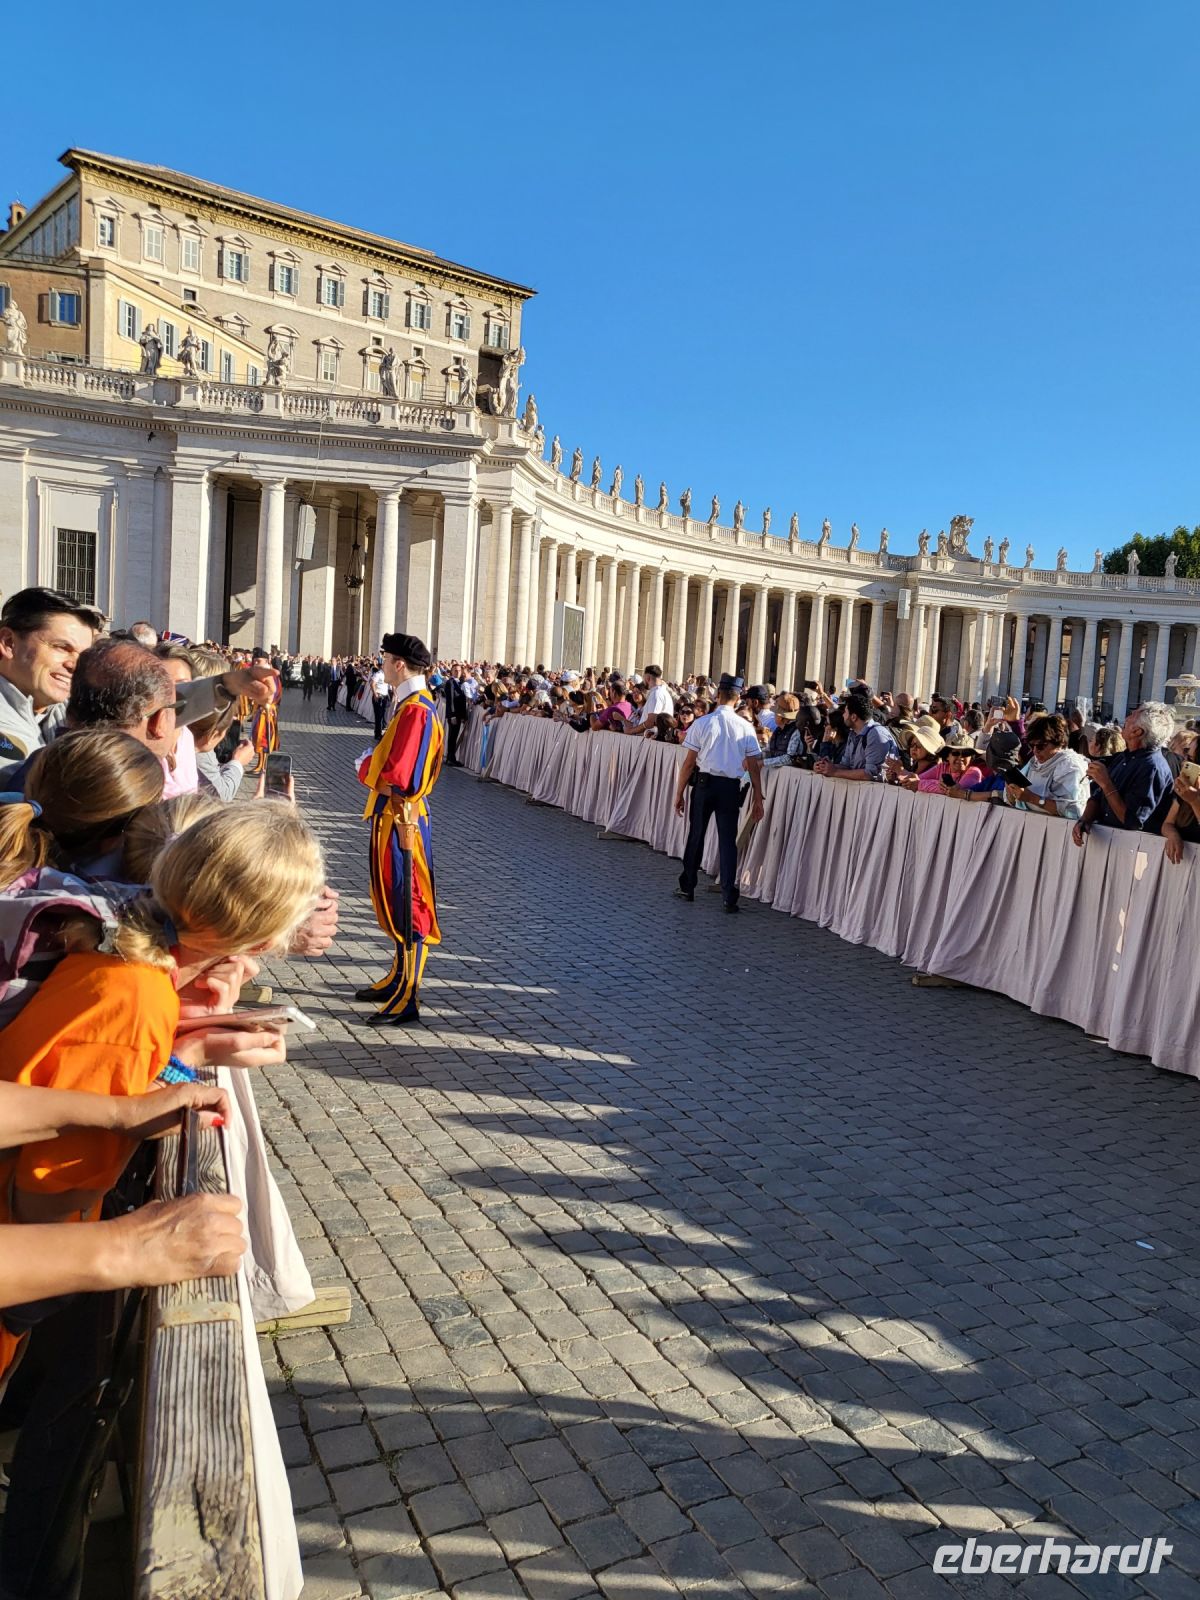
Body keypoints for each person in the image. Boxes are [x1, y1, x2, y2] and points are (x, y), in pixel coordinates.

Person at [0, 798, 324, 1600]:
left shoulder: (127, 962)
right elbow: (46, 1200)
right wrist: (123, 1246)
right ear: (255, 943)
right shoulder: (133, 997)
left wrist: (182, 1052)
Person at [355, 633, 443, 1025]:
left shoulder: (416, 711)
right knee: (395, 899)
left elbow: (403, 780)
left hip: (402, 818)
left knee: (410, 902)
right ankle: (398, 977)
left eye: (386, 660)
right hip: (394, 816)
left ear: (399, 665)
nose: (383, 666)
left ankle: (409, 993)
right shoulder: (409, 705)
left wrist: (366, 769)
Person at [672, 673, 764, 914]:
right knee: (727, 841)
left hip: (705, 784)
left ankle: (688, 886)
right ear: (738, 697)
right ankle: (728, 895)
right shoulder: (745, 726)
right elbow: (753, 765)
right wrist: (758, 796)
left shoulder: (703, 723)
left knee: (696, 835)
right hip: (730, 787)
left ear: (718, 695)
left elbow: (689, 763)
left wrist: (679, 792)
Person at [0, 587, 104, 771]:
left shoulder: (71, 713)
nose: (75, 665)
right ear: (9, 643)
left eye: (83, 656)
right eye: (62, 647)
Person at [1072, 702, 1175, 846]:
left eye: (1132, 715)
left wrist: (1106, 783)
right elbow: (1098, 796)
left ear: (1137, 732)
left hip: (1131, 848)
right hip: (1105, 843)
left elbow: (1132, 820)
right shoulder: (1123, 757)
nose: (1126, 718)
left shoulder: (1152, 768)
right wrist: (1085, 819)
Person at [814, 691, 897, 781]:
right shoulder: (853, 733)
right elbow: (846, 766)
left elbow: (870, 774)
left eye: (845, 712)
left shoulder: (876, 735)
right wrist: (824, 767)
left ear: (853, 717)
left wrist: (834, 772)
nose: (843, 715)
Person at [442, 663, 469, 766]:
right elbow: (451, 700)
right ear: (451, 672)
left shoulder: (460, 682)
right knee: (452, 736)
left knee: (454, 736)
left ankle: (450, 757)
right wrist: (452, 715)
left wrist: (463, 715)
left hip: (458, 714)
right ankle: (451, 758)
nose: (457, 672)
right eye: (455, 670)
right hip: (453, 714)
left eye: (459, 670)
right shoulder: (450, 682)